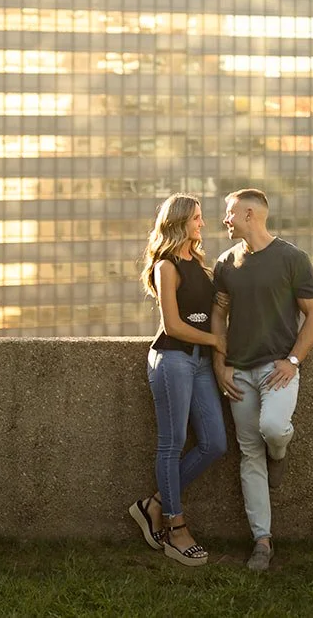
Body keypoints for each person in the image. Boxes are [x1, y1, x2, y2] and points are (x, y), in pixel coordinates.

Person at [211, 188, 313, 573]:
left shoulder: (293, 259)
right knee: (248, 454)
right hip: (238, 373)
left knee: (274, 429)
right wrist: (220, 366)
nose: (224, 220)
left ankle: (280, 453)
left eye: (229, 213)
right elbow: (217, 319)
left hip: (278, 369)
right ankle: (262, 540)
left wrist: (293, 360)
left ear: (250, 214)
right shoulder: (225, 263)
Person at [127, 194, 228, 567]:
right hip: (171, 358)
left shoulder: (199, 263)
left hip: (199, 362)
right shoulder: (166, 266)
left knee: (215, 443)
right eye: (197, 218)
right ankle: (175, 526)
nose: (203, 224)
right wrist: (217, 340)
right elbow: (173, 325)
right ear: (180, 221)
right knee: (172, 444)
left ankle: (153, 503)